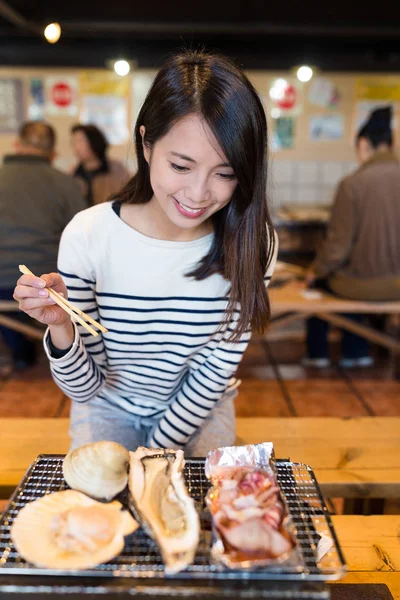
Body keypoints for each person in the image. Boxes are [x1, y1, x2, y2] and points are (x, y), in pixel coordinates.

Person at [13, 50, 277, 454]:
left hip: (199, 407)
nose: (198, 193)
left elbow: (213, 373)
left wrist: (153, 454)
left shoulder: (254, 242)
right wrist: (60, 327)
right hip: (107, 406)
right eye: (181, 166)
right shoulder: (89, 235)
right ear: (147, 144)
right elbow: (86, 388)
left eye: (225, 173)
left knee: (204, 505)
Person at [304, 106, 400, 368]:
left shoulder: (353, 184)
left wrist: (314, 271)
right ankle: (363, 350)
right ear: (391, 144)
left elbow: (337, 249)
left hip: (366, 287)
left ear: (364, 144)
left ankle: (320, 355)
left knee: (321, 283)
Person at [0, 121, 86, 370]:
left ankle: (21, 350)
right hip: (47, 284)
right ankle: (42, 348)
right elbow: (82, 237)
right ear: (52, 152)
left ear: (17, 145)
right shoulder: (66, 184)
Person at [71, 124, 130, 206]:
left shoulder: (117, 170)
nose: (76, 147)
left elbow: (128, 196)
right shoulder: (72, 172)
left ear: (93, 141)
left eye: (80, 141)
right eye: (74, 142)